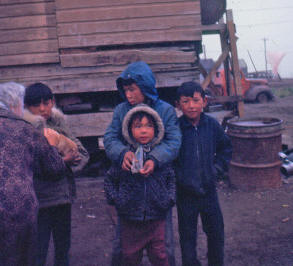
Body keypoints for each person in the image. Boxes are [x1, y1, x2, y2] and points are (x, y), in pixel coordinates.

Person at [103, 61, 181, 266]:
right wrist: (122, 154)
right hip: (129, 190)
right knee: (124, 248)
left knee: (164, 247)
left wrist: (155, 159)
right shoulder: (121, 111)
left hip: (157, 187)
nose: (128, 95)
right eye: (125, 90)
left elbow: (174, 141)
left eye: (132, 89)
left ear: (145, 86)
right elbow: (110, 138)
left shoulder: (165, 110)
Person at [0, 82, 67, 266]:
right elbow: (54, 168)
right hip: (19, 209)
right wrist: (52, 145)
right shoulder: (25, 129)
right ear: (15, 104)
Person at [23, 82, 89, 266]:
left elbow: (82, 154)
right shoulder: (26, 130)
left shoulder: (60, 124)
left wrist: (72, 160)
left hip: (62, 197)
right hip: (40, 200)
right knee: (38, 250)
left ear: (53, 102)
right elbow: (31, 165)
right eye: (36, 104)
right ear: (27, 106)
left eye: (47, 102)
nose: (43, 109)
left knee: (63, 248)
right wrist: (64, 162)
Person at [175, 81, 232, 266]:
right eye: (186, 101)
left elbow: (225, 149)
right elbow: (169, 158)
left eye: (195, 100)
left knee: (216, 233)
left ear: (204, 102)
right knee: (187, 237)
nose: (191, 106)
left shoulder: (212, 125)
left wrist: (216, 170)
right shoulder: (176, 129)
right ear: (178, 105)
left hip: (209, 191)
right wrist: (180, 177)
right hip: (185, 194)